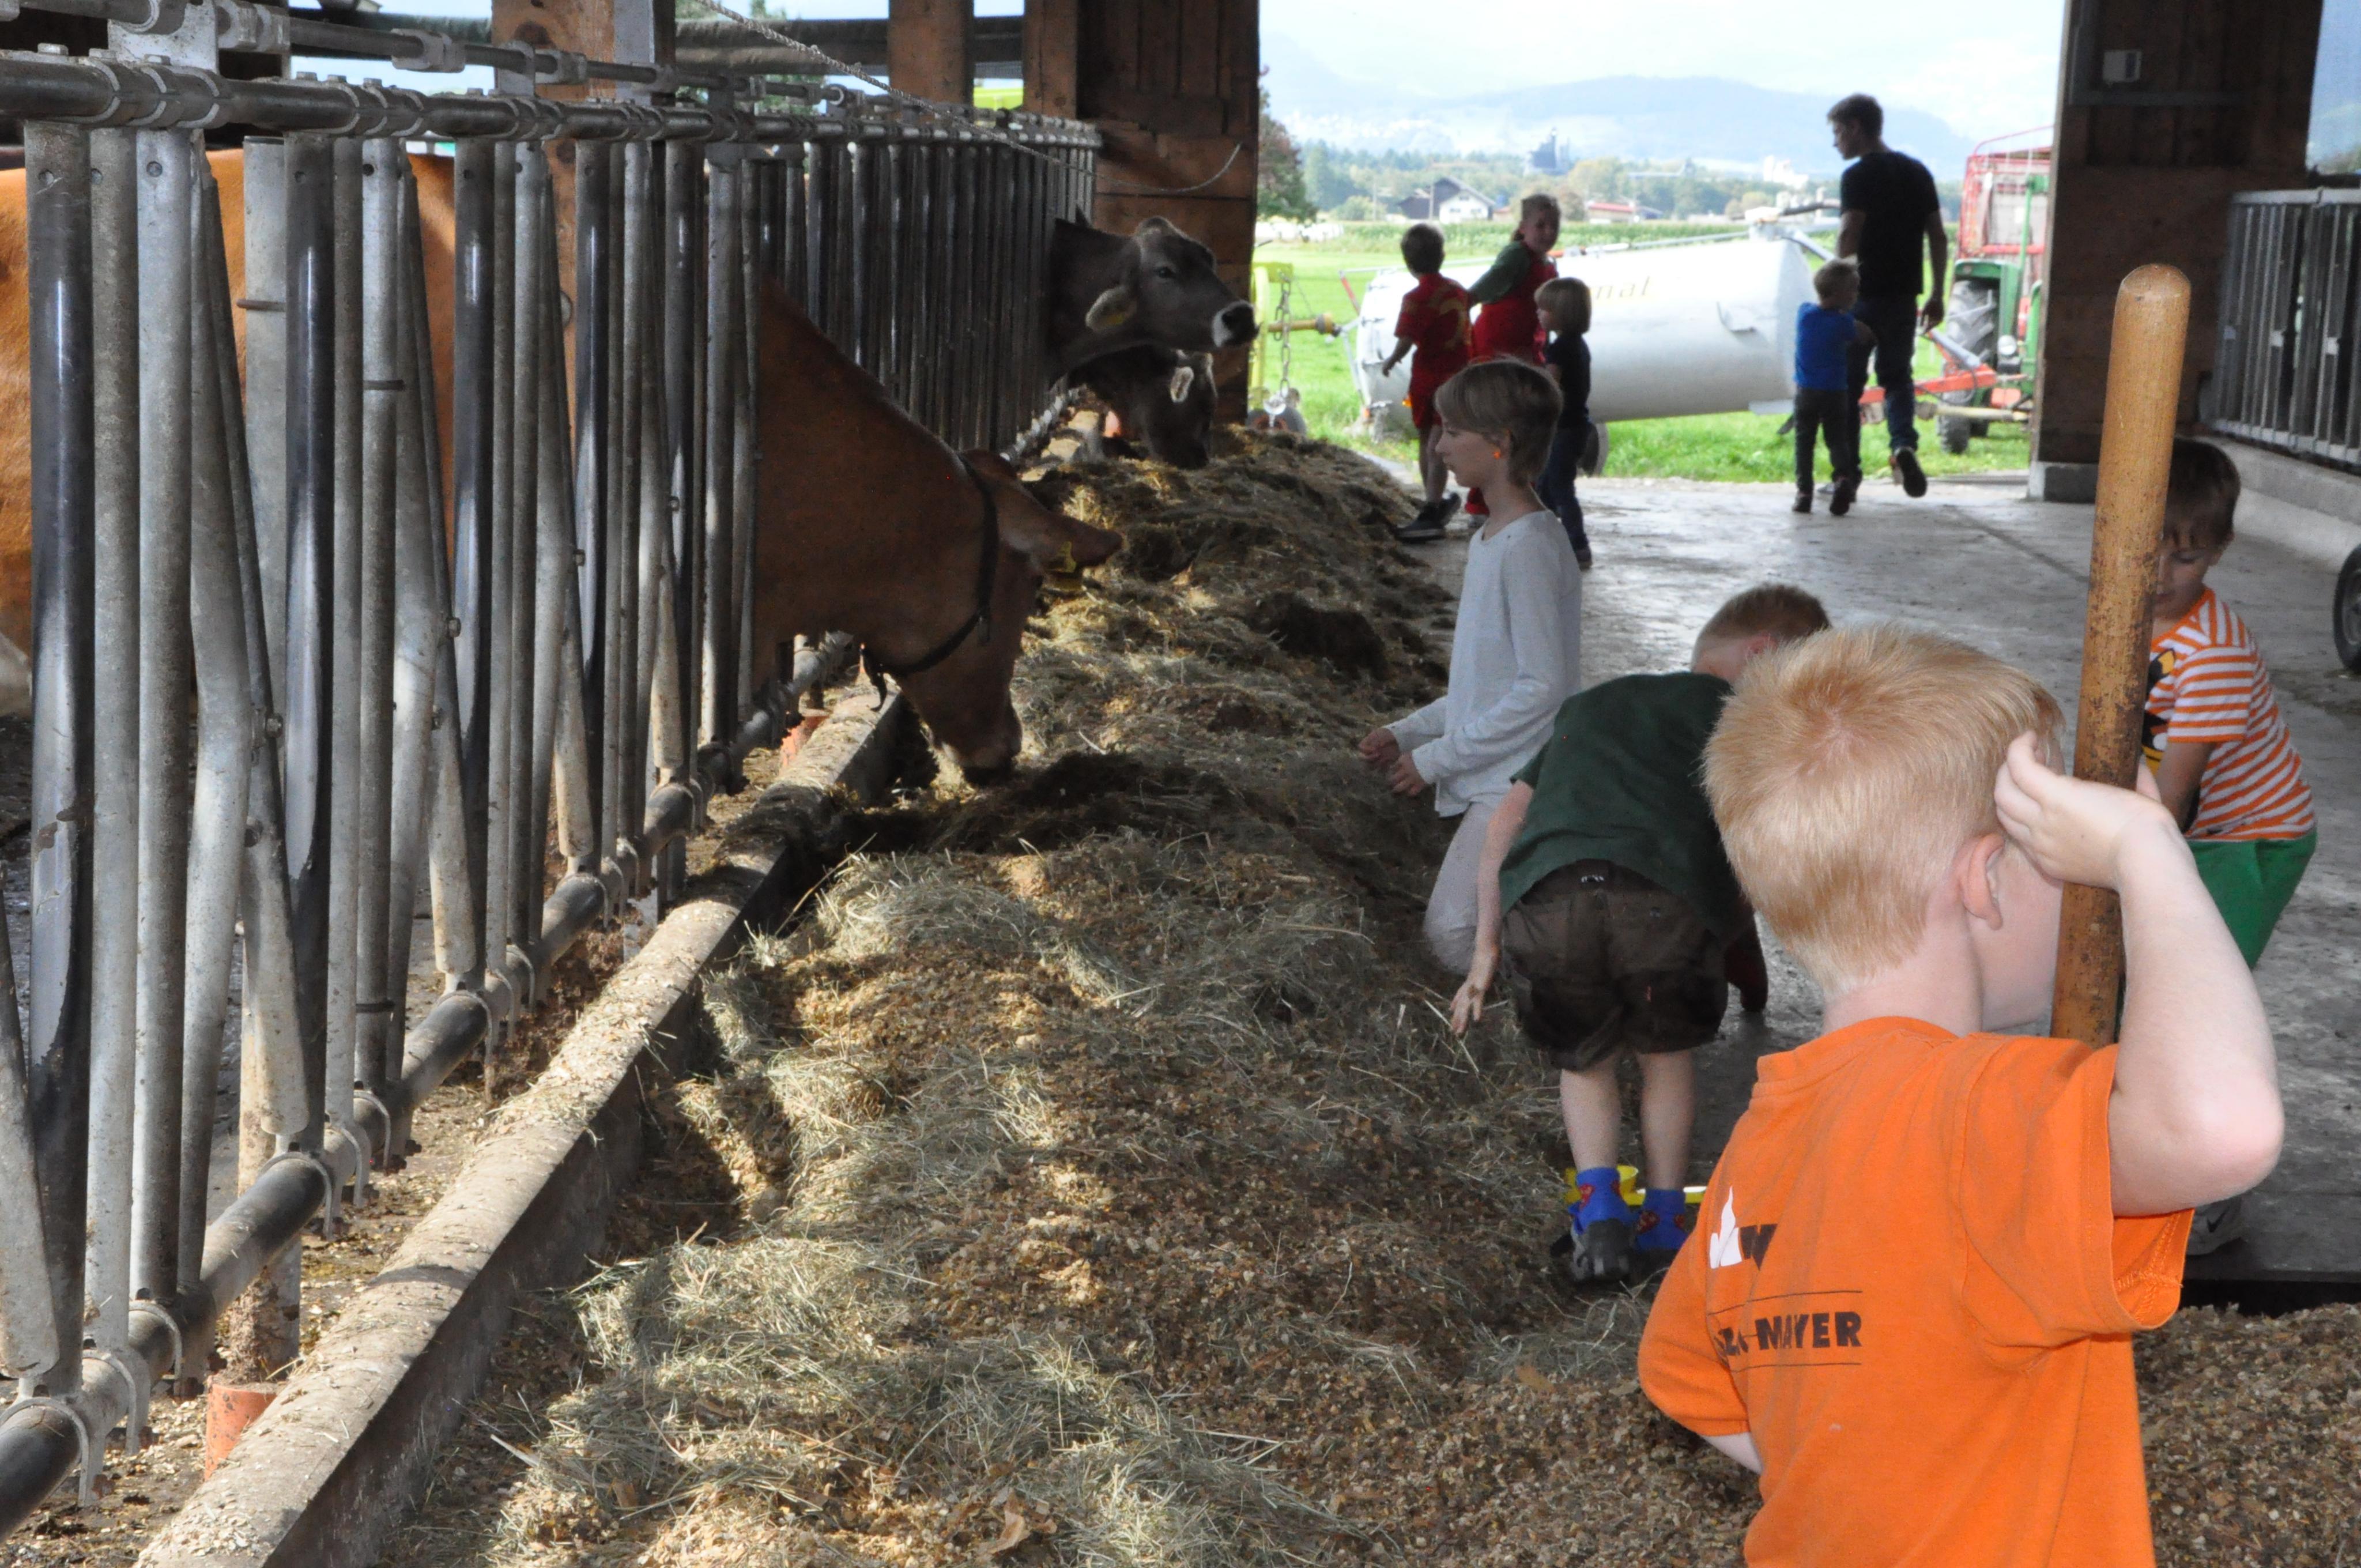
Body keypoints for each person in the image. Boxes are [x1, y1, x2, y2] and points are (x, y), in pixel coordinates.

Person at [1640, 623, 2281, 1567]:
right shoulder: (1979, 1110)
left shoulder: (1760, 1144)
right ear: (1984, 881)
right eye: (2058, 850)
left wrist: (1861, 1487)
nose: (2086, 893)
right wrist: (2150, 858)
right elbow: (2222, 1127)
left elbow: (1683, 1374)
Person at [1450, 586, 1830, 1284]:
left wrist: (1486, 949)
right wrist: (1724, 925)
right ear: (1763, 653)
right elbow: (1761, 846)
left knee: (1584, 1061)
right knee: (1665, 1057)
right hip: (1663, 903)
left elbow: (1506, 821)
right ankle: (1663, 1219)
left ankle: (1598, 1215)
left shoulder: (1595, 704)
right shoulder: (1744, 722)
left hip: (1549, 899)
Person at [2143, 439, 2316, 1254]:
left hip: (2247, 841)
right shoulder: (2130, 614)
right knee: (2149, 991)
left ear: (2219, 549)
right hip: (2195, 831)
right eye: (2149, 549)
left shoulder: (2211, 654)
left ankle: (2216, 1189)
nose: (2162, 574)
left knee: (2196, 1002)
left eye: (2187, 556)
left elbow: (2173, 799)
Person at [1357, 360, 1582, 974]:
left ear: (1499, 442)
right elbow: (1485, 681)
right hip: (1498, 768)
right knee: (1471, 926)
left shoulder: (1529, 546)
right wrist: (1409, 733)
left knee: (1452, 933)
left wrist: (1435, 761)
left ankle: (1542, 1007)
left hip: (1519, 777)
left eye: (1453, 432)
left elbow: (1542, 687)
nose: (1439, 445)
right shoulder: (1492, 538)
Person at [1828, 93, 1944, 500]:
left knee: (1847, 387)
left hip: (1860, 300)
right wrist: (1937, 293)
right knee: (1897, 379)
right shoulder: (1918, 172)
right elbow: (1937, 236)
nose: (1835, 142)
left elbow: (1849, 232)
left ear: (1856, 127)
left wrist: (1837, 289)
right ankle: (1903, 446)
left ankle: (1847, 474)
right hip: (1902, 298)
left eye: (1838, 132)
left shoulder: (1857, 176)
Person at [1378, 223, 1473, 544]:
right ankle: (1437, 500)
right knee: (1441, 437)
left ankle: (1431, 509)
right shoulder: (1458, 291)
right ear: (1442, 256)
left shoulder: (1416, 298)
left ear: (1408, 262)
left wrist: (1392, 360)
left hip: (1430, 379)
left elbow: (1407, 339)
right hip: (1459, 376)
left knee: (1429, 444)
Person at [1790, 259, 1874, 516]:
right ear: (1840, 295)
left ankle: (1804, 494)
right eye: (1853, 290)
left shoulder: (1804, 314)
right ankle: (1843, 479)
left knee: (1804, 442)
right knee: (1837, 439)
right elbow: (1865, 336)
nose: (1856, 295)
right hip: (1836, 393)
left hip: (1806, 392)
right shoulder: (1844, 323)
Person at [1534, 275, 1594, 567]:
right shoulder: (1578, 345)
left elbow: (1549, 387)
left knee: (1559, 487)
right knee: (1547, 486)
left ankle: (1577, 544)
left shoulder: (1559, 350)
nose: (1538, 313)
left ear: (1560, 314)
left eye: (1544, 309)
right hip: (1577, 425)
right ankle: (1544, 539)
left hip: (1563, 428)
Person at [1468, 194, 1562, 367]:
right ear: (1523, 228)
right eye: (1540, 225)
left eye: (1554, 226)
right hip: (1495, 349)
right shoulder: (1517, 255)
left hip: (1525, 350)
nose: (1549, 232)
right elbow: (1482, 289)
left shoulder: (1549, 266)